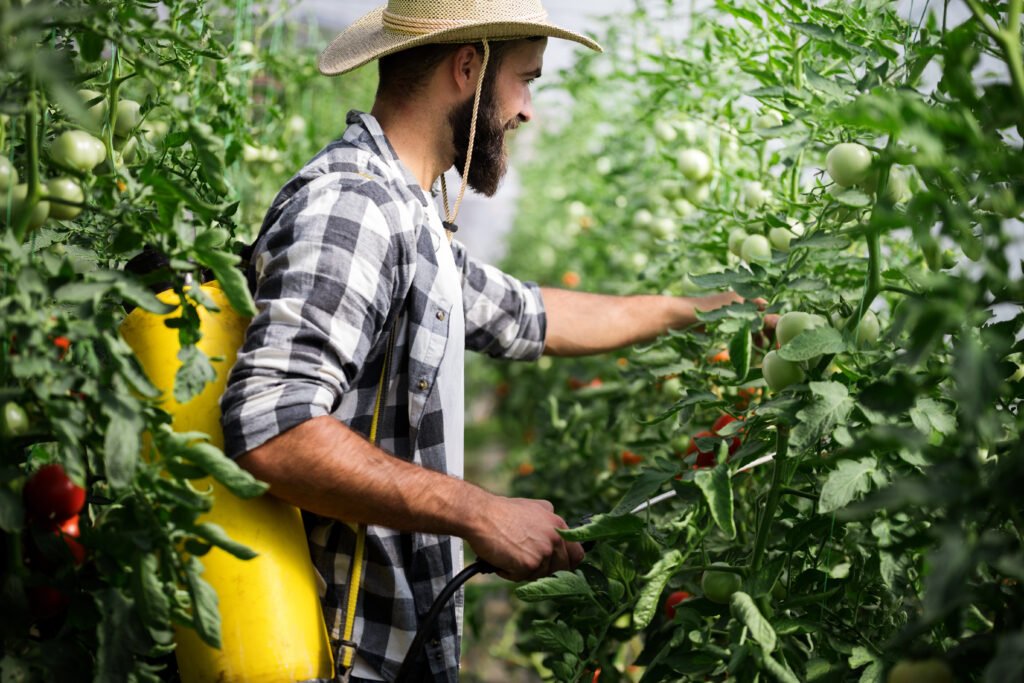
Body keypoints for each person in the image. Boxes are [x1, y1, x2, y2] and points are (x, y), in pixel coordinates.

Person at [219, 1, 743, 681]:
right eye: (527, 78)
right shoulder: (356, 208)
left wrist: (698, 310)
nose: (527, 109)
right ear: (467, 68)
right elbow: (272, 426)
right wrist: (480, 511)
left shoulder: (410, 216)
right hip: (327, 653)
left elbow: (532, 314)